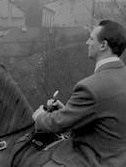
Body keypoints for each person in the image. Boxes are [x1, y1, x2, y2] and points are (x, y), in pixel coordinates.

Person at [32, 20, 126, 167]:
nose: (87, 42)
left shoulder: (90, 86)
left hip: (96, 159)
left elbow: (59, 125)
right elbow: (106, 117)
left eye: (91, 38)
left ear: (103, 45)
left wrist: (40, 117)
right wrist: (67, 111)